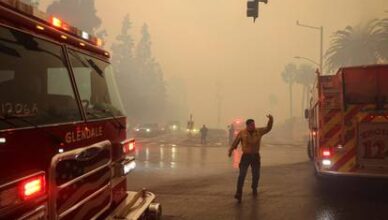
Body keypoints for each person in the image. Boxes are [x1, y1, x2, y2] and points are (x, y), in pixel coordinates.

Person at [228, 115, 274, 203]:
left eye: (254, 124)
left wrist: (271, 120)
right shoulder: (242, 133)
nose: (253, 126)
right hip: (246, 156)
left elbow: (268, 128)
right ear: (247, 125)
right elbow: (235, 142)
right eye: (252, 125)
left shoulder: (259, 131)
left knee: (256, 175)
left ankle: (254, 187)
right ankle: (238, 193)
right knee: (242, 175)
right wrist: (231, 150)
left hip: (255, 156)